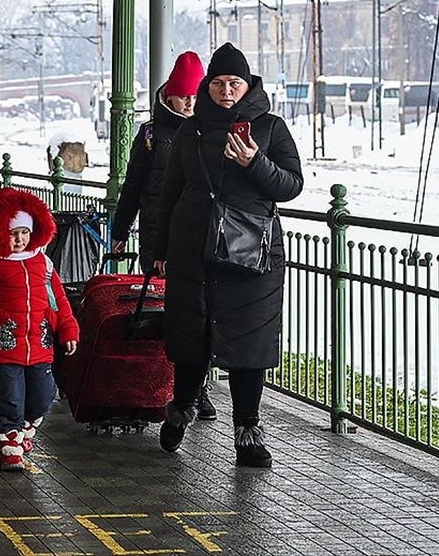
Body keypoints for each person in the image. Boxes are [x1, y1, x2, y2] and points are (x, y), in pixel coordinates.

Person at [153, 43, 303, 468]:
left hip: (251, 256)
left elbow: (291, 185)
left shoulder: (270, 128)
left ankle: (247, 435)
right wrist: (159, 250)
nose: (226, 91)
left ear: (248, 85)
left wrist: (254, 162)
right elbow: (170, 192)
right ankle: (181, 409)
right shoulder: (192, 130)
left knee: (247, 347)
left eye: (234, 83)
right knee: (191, 339)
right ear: (207, 87)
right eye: (217, 83)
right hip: (193, 249)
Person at [110, 51, 216, 421]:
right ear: (169, 94)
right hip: (159, 239)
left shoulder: (209, 129)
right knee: (169, 315)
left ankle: (197, 389)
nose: (189, 102)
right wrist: (120, 229)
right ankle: (162, 384)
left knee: (201, 315)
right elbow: (133, 185)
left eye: (194, 95)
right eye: (183, 95)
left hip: (200, 239)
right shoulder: (151, 134)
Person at [0, 187, 79, 471]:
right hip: (3, 348)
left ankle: (26, 427)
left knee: (44, 395)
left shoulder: (43, 263)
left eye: (25, 232)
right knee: (9, 398)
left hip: (40, 345)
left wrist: (68, 329)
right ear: (0, 232)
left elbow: (58, 300)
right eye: (13, 233)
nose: (20, 239)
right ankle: (10, 446)